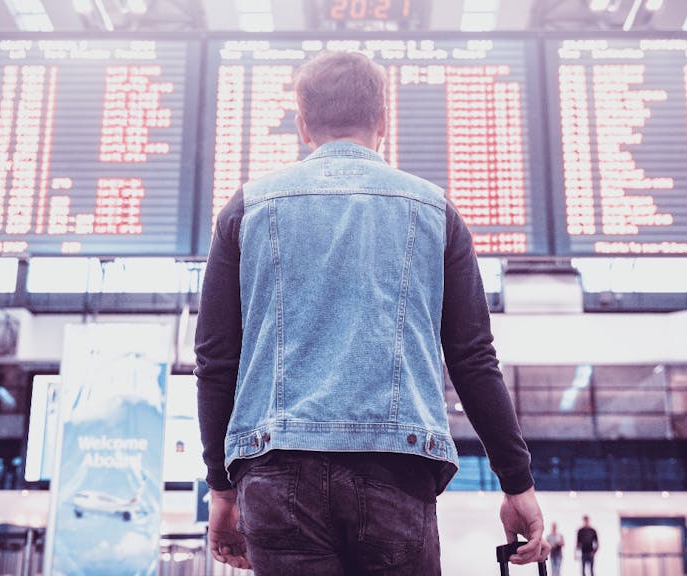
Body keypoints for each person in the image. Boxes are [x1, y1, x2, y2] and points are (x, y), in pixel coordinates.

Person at [195, 50, 546, 575]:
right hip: (396, 468)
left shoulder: (246, 209)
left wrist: (221, 489)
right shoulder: (436, 212)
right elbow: (473, 359)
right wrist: (516, 482)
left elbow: (216, 361)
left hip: (275, 470)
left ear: (302, 124)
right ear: (383, 121)